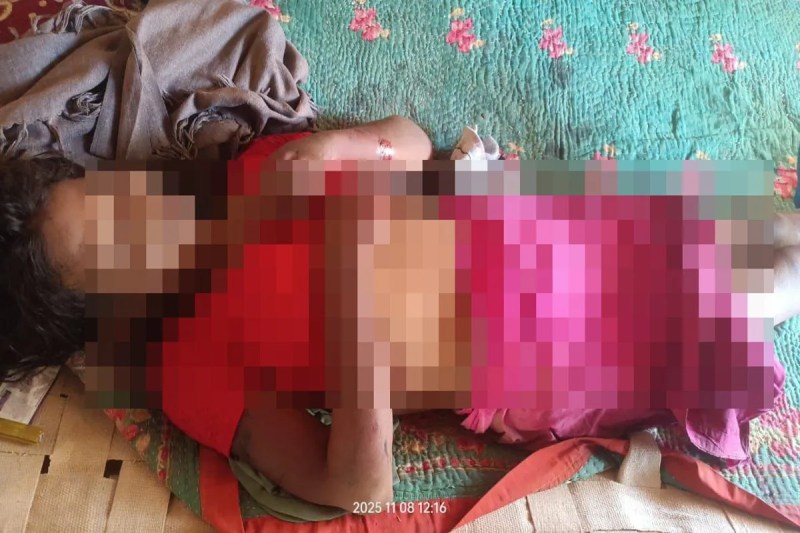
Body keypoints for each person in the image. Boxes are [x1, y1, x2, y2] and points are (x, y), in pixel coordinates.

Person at [1, 120, 798, 512]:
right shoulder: (189, 367)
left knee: (726, 229)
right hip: (529, 347)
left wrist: (346, 147)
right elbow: (355, 486)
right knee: (741, 291)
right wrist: (359, 312)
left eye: (110, 195)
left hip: (522, 226)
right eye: (115, 246)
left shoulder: (253, 173)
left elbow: (413, 142)